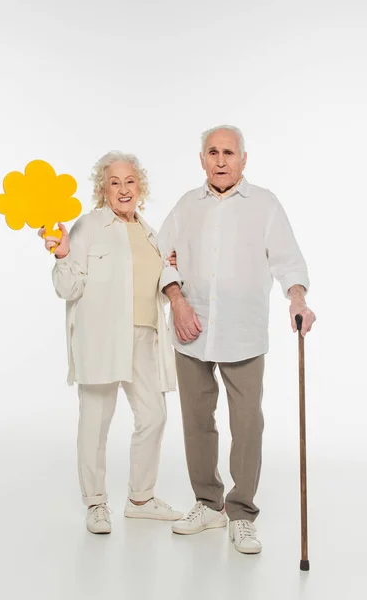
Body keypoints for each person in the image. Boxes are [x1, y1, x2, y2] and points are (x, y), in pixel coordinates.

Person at [157, 125, 316, 554]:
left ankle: (241, 512)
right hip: (192, 331)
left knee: (247, 424)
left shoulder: (264, 204)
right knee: (196, 421)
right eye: (213, 152)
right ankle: (208, 504)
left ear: (244, 159)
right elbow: (160, 255)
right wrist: (177, 300)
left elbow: (288, 261)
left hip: (243, 332)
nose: (221, 160)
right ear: (202, 159)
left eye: (230, 152)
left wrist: (296, 300)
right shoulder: (186, 206)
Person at [39, 152, 183, 534]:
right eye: (114, 182)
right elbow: (67, 287)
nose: (123, 189)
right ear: (103, 190)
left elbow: (157, 285)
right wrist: (63, 253)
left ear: (141, 187)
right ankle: (96, 503)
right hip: (101, 337)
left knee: (154, 415)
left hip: (145, 336)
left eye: (130, 181)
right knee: (95, 422)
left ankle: (140, 499)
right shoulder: (88, 226)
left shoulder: (151, 233)